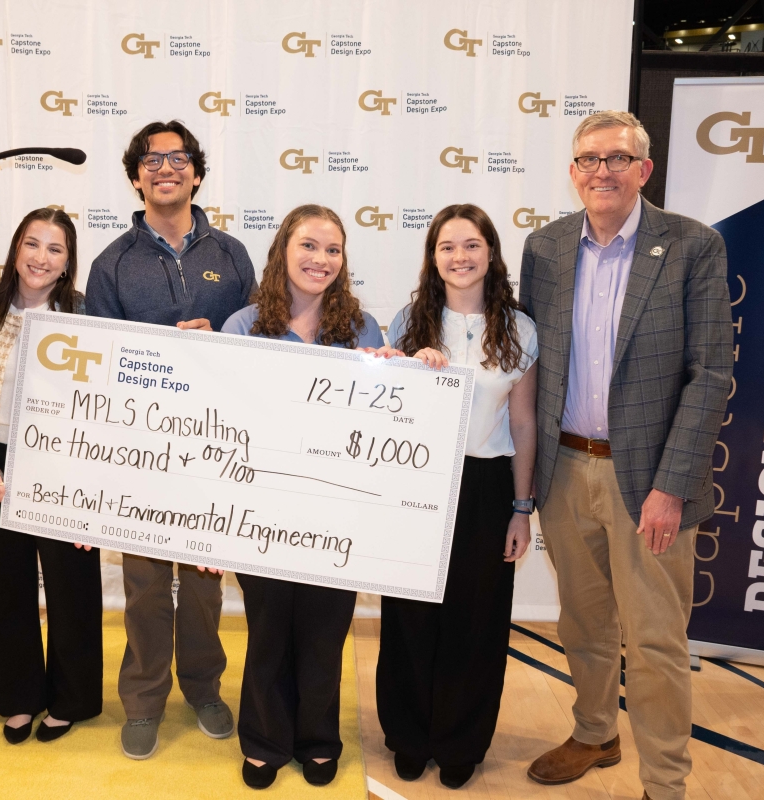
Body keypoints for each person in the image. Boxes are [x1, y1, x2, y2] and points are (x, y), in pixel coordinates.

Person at [519, 111, 732, 800]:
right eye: (589, 159)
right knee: (582, 624)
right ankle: (594, 733)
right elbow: (526, 363)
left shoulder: (693, 246)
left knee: (655, 642)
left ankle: (665, 783)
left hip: (648, 483)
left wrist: (672, 487)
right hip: (563, 471)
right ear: (573, 171)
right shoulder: (545, 248)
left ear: (644, 169)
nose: (601, 171)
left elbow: (710, 375)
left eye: (617, 158)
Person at [84, 120, 257, 759]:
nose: (166, 168)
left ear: (197, 174)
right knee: (146, 585)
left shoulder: (232, 254)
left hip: (214, 447)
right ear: (136, 178)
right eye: (152, 160)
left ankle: (204, 688)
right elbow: (99, 362)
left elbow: (259, 344)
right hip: (141, 451)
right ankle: (144, 700)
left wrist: (218, 343)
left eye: (179, 158)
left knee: (207, 582)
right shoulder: (112, 263)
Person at [373, 204, 538, 789]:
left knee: (477, 621)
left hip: (487, 488)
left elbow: (523, 423)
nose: (459, 256)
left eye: (471, 245)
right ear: (433, 256)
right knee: (409, 615)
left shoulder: (520, 329)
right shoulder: (409, 319)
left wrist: (521, 508)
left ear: (491, 253)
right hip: (418, 481)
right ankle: (409, 735)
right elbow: (388, 408)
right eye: (447, 246)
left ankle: (461, 740)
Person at [221, 204, 384, 790]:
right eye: (309, 246)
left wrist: (400, 374)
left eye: (333, 250)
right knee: (268, 629)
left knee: (324, 631)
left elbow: (382, 424)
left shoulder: (364, 330)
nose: (321, 259)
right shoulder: (243, 326)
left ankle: (318, 738)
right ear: (283, 252)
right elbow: (219, 420)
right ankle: (265, 740)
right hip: (260, 506)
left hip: (336, 510)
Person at [0, 208, 102, 744]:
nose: (41, 257)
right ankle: (17, 698)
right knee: (3, 587)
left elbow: (102, 408)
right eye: (32, 244)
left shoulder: (84, 315)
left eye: (55, 249)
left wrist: (88, 490)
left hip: (65, 464)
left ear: (67, 262)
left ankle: (72, 699)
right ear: (15, 250)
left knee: (72, 587)